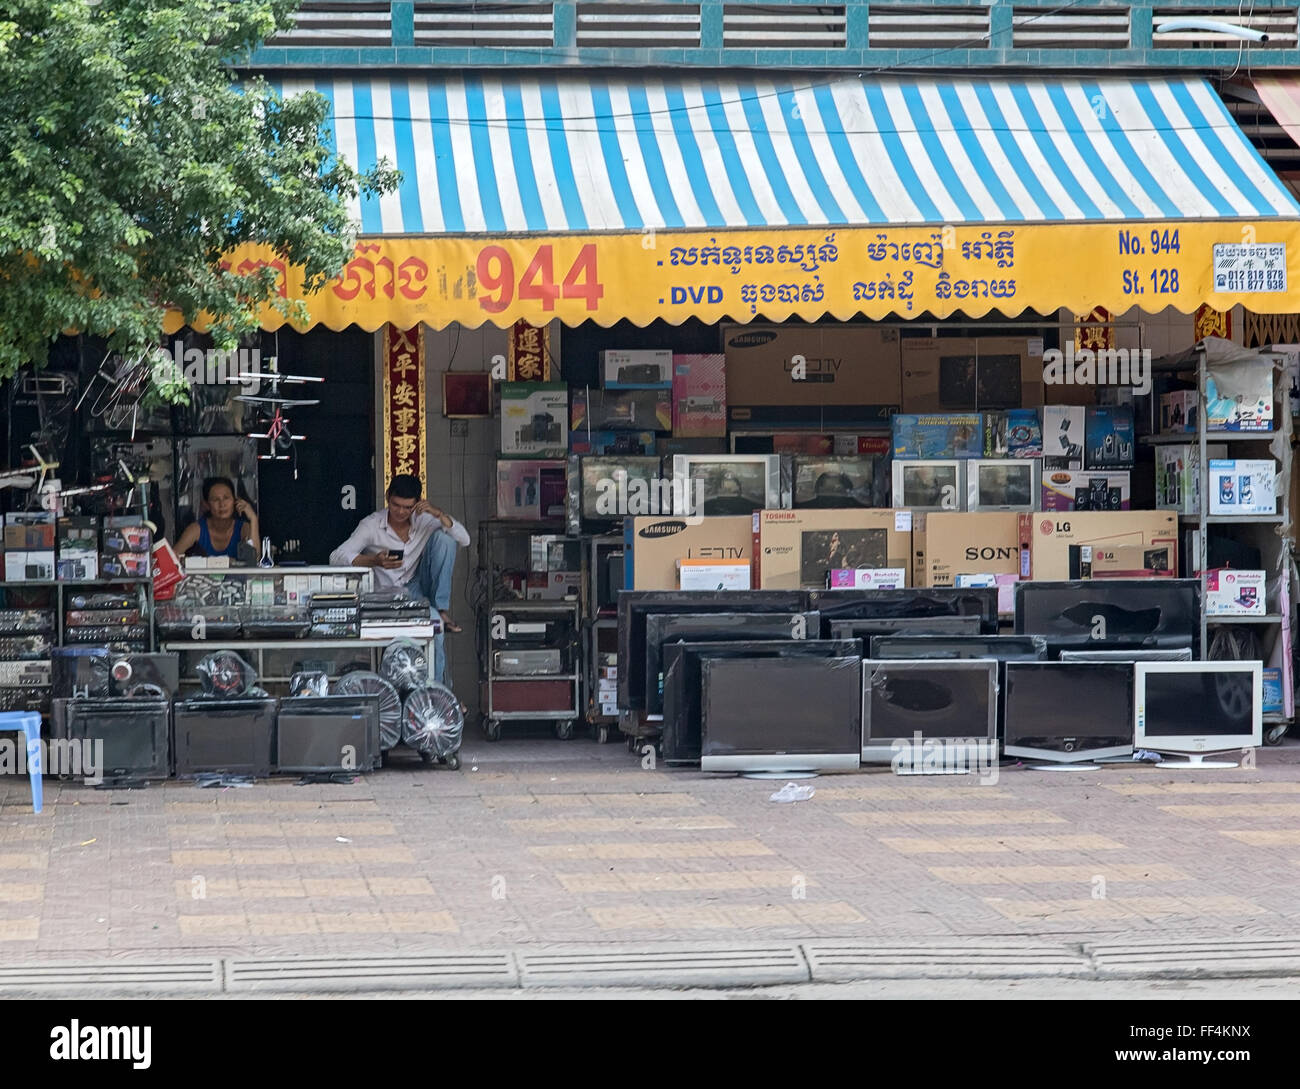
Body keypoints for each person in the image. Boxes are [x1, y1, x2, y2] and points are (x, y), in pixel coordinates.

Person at [330, 473, 470, 633]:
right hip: (384, 592)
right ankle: (437, 615)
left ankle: (441, 609)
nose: (401, 512)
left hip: (417, 587)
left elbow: (464, 540)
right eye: (396, 505)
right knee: (434, 624)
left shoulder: (425, 520)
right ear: (387, 497)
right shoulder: (371, 524)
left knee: (445, 539)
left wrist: (439, 514)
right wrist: (373, 561)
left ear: (418, 503)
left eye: (408, 507)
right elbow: (336, 556)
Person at [175, 477, 260, 560]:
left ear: (235, 500)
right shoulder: (197, 529)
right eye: (215, 499)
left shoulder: (243, 528)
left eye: (226, 498)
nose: (222, 504)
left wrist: (253, 519)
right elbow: (172, 559)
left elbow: (255, 559)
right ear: (206, 505)